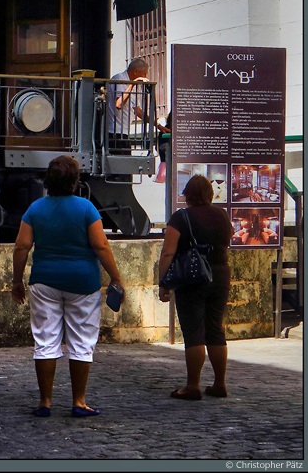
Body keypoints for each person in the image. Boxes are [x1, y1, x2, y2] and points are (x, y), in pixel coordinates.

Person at [11, 155, 124, 418]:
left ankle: (45, 402)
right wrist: (116, 278)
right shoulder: (86, 209)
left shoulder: (35, 209)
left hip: (44, 281)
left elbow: (21, 247)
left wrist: (17, 281)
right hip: (82, 282)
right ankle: (78, 401)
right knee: (82, 342)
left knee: (45, 341)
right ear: (75, 181)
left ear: (48, 180)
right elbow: (100, 246)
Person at [157, 174, 234, 400]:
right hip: (220, 276)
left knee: (193, 332)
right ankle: (219, 383)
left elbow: (168, 251)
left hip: (193, 278)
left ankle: (193, 386)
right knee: (215, 329)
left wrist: (163, 282)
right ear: (210, 194)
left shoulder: (181, 217)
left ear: (188, 195)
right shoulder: (222, 215)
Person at [106, 57, 151, 138]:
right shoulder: (119, 78)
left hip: (125, 130)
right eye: (144, 74)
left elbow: (137, 110)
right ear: (136, 72)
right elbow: (118, 104)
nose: (145, 77)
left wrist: (157, 125)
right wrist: (132, 84)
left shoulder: (136, 85)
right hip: (114, 130)